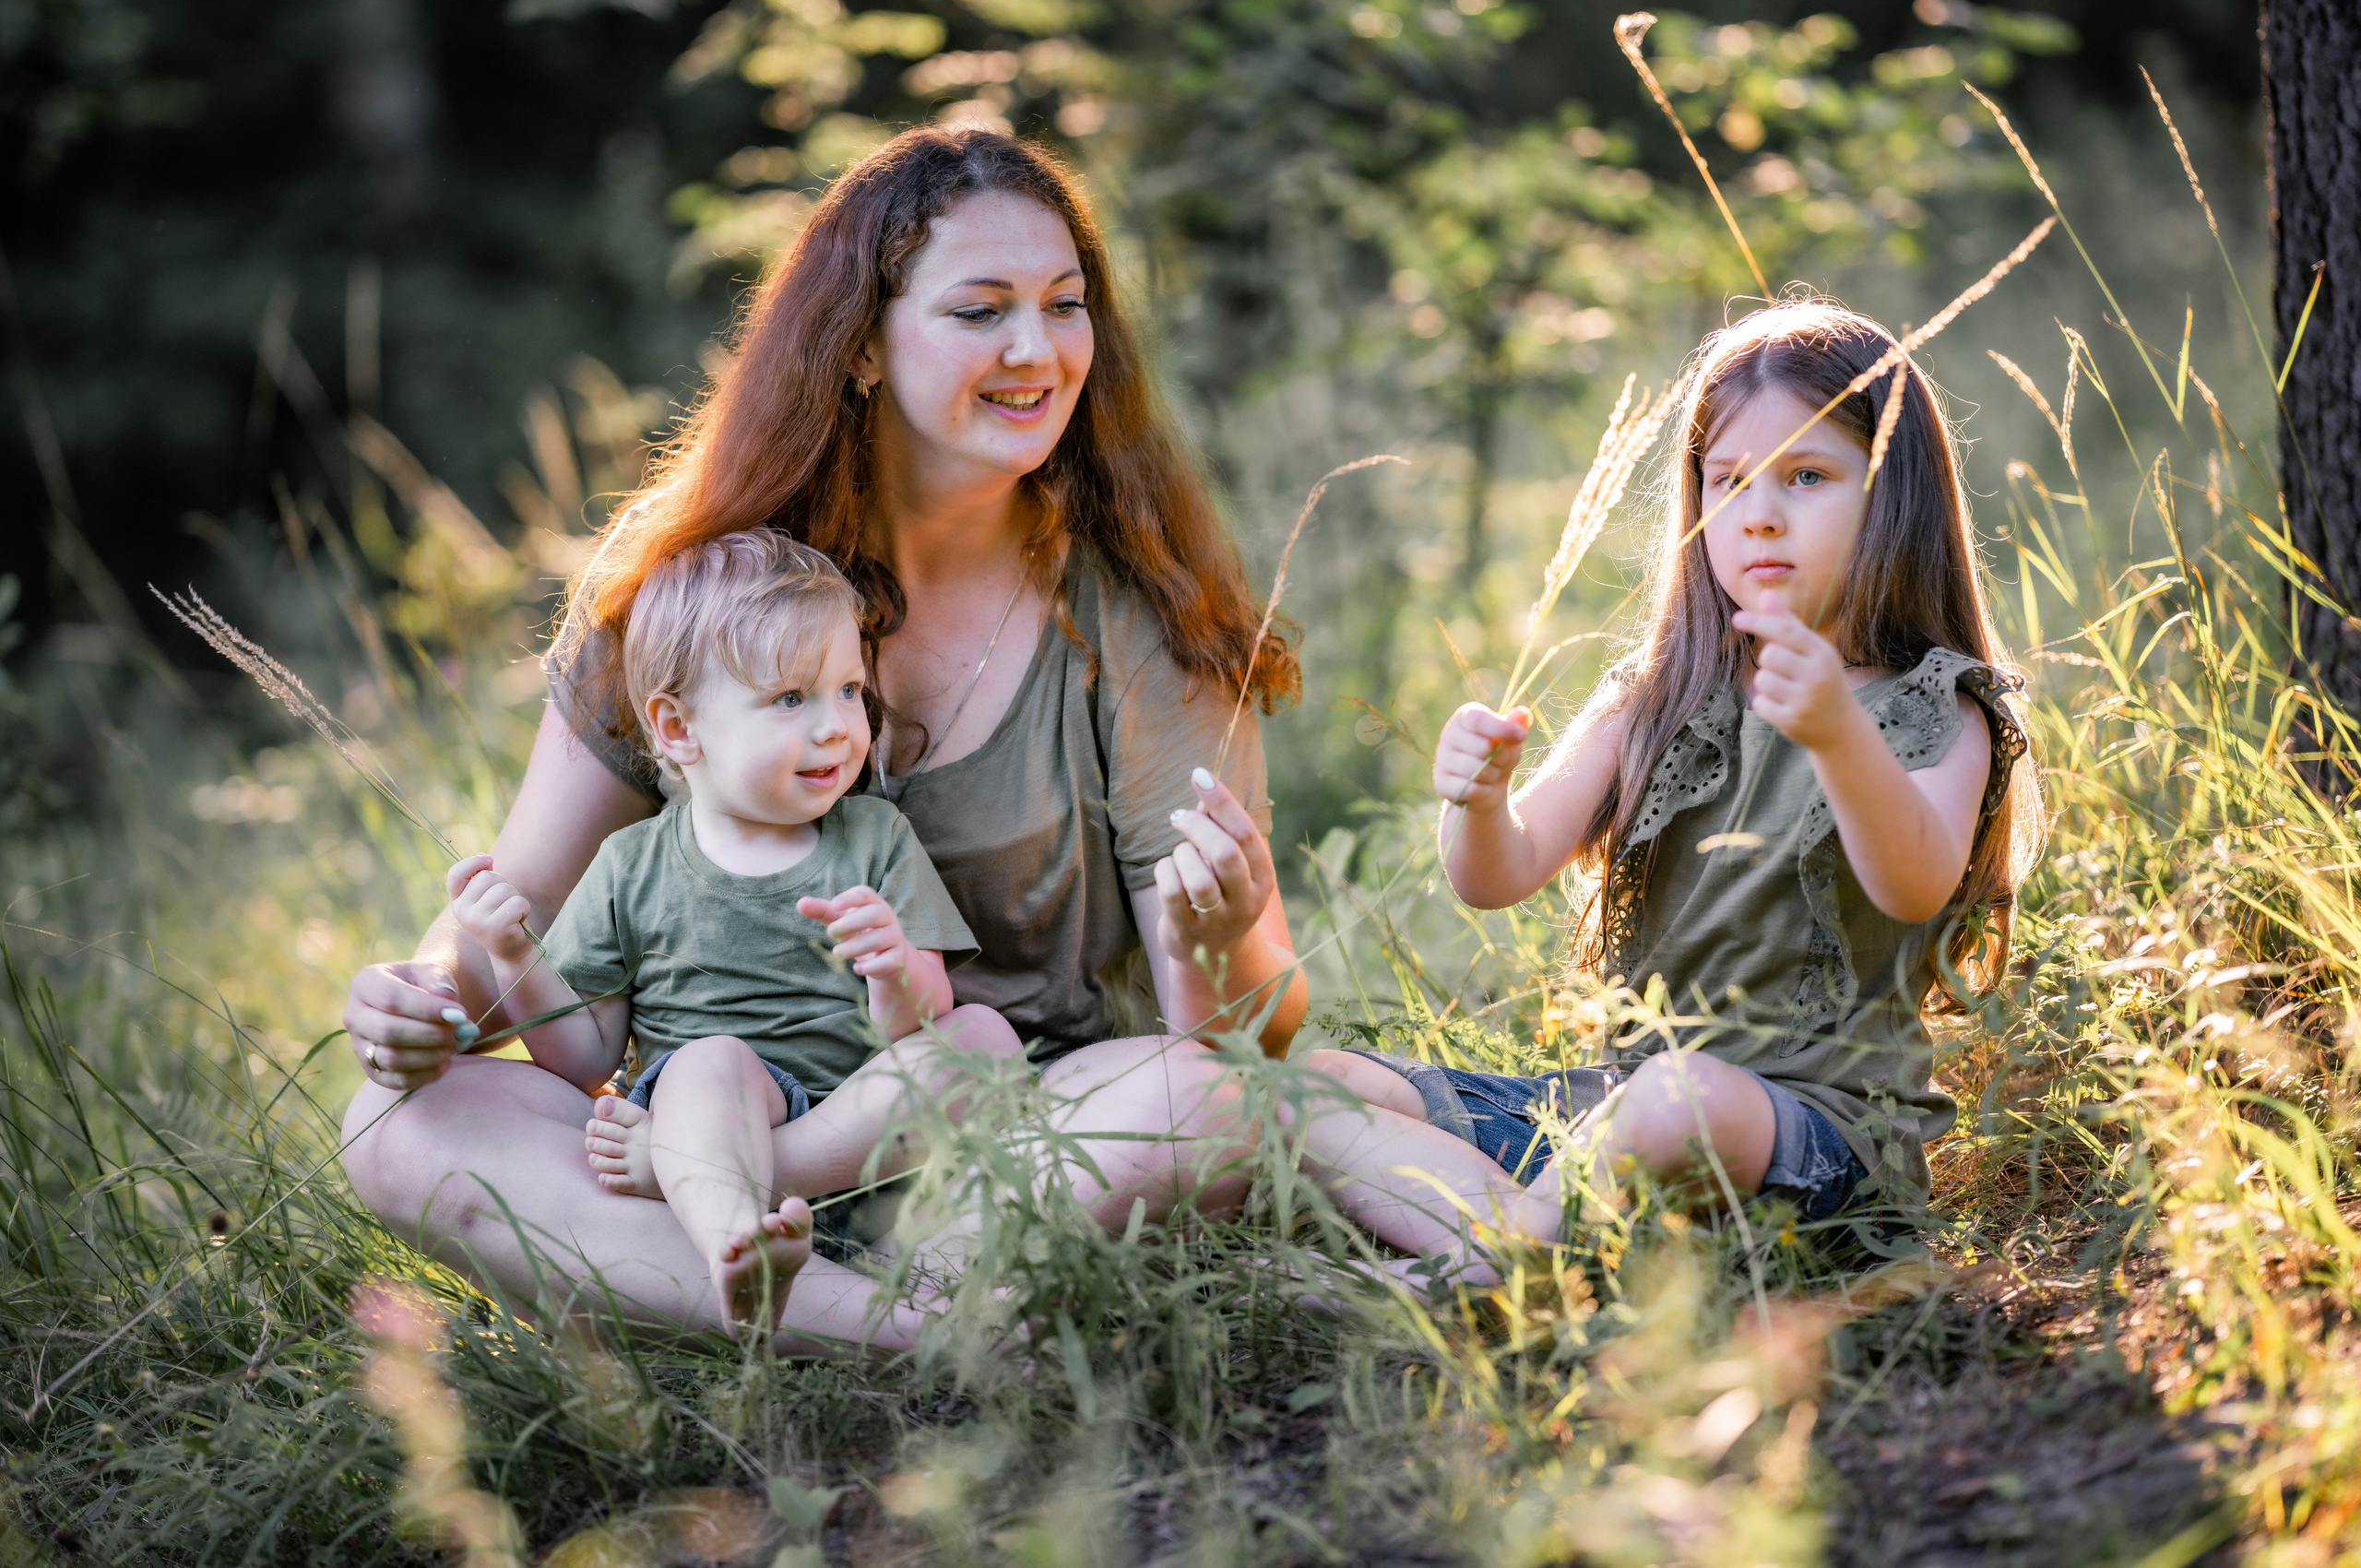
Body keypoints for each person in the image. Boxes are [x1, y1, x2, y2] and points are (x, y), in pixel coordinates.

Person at [338, 125, 1311, 1352]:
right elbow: (511, 898)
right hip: (702, 1131)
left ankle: (795, 1290)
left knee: (1206, 1094)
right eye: (982, 309)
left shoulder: (1143, 601)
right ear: (859, 345)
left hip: (1014, 1123)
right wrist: (426, 990)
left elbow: (1247, 1028)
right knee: (399, 1118)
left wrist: (1220, 943)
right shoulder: (692, 592)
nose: (1039, 349)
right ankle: (892, 1322)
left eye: (1067, 306)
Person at [1292, 298, 2043, 1275]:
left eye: (1807, 476)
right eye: (1728, 482)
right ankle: (1533, 1243)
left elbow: (1915, 883)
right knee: (1313, 1089)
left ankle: (1482, 1266)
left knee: (1675, 1098)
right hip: (1617, 1116)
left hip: (1817, 1149)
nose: (1760, 514)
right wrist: (1475, 804)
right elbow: (1499, 871)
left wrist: (1834, 735)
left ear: (1892, 497)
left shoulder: (1939, 706)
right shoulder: (1659, 695)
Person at [444, 530, 1025, 1327]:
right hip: (708, 1110)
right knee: (709, 1065)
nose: (835, 727)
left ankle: (703, 1179)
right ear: (679, 729)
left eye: (849, 690)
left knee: (984, 1037)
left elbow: (916, 1026)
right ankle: (738, 1247)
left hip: (862, 1135)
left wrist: (895, 967)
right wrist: (512, 950)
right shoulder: (631, 866)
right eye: (791, 699)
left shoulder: (875, 838)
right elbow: (583, 1057)